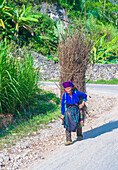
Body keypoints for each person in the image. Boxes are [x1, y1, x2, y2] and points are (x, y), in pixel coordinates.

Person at [61, 81, 87, 145]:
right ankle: (68, 140)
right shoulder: (64, 96)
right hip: (68, 111)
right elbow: (62, 105)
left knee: (78, 123)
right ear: (65, 90)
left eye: (69, 88)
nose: (68, 90)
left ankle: (79, 135)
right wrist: (62, 114)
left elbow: (85, 96)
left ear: (71, 88)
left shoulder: (76, 93)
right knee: (67, 125)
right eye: (66, 89)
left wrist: (82, 104)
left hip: (77, 110)